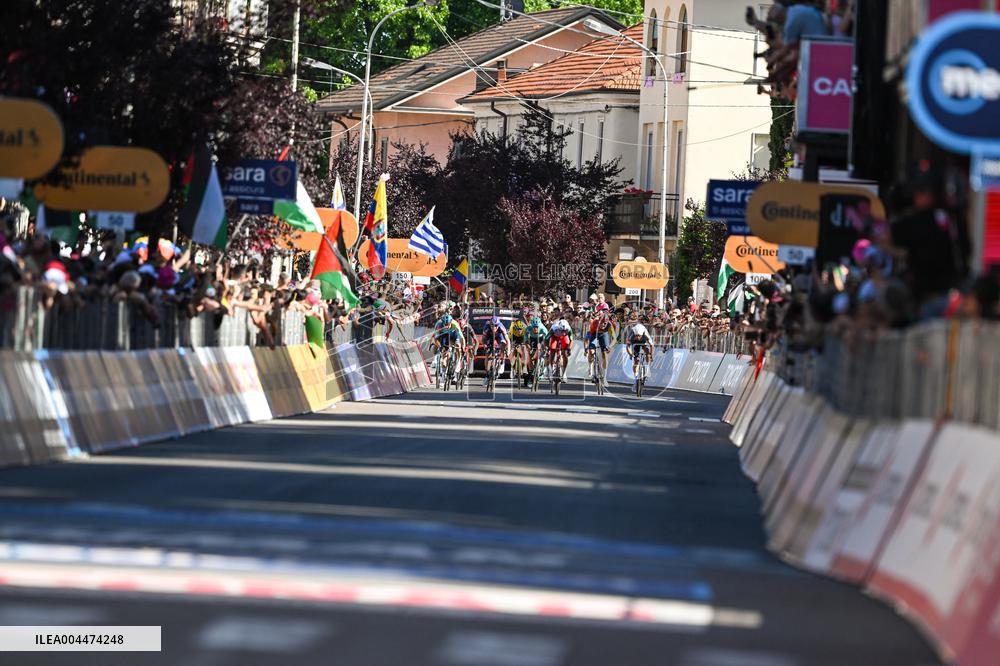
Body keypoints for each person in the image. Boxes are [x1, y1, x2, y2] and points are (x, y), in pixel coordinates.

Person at [432, 312, 465, 380]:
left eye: (448, 325)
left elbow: (462, 338)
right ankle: (443, 373)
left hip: (453, 334)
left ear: (451, 322)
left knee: (458, 346)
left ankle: (458, 361)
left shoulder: (455, 324)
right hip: (444, 335)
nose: (446, 326)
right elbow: (435, 339)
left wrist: (463, 348)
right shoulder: (439, 325)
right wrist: (441, 347)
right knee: (444, 352)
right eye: (445, 325)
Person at [585, 302, 613, 380]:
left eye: (605, 323)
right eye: (602, 323)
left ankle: (604, 373)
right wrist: (588, 348)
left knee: (605, 353)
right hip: (594, 334)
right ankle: (590, 368)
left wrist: (609, 347)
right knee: (591, 351)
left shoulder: (610, 324)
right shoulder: (595, 323)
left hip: (604, 334)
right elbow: (588, 337)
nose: (603, 325)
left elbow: (614, 337)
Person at [480, 315, 510, 386]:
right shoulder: (486, 327)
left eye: (496, 325)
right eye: (492, 326)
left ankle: (502, 361)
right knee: (488, 354)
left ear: (498, 325)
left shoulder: (501, 327)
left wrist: (508, 350)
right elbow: (483, 339)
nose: (494, 327)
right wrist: (485, 346)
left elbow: (508, 340)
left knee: (503, 344)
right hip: (489, 337)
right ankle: (487, 375)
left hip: (499, 336)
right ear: (490, 324)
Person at [625, 319, 655, 386]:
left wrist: (651, 355)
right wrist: (630, 354)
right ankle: (636, 378)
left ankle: (647, 368)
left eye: (639, 336)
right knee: (636, 360)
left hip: (643, 342)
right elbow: (627, 347)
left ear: (642, 334)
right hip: (634, 343)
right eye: (637, 335)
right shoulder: (632, 333)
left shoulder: (645, 334)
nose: (638, 337)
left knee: (647, 351)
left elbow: (652, 345)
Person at [545, 316, 574, 381]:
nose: (563, 332)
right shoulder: (554, 328)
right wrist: (547, 348)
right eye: (562, 331)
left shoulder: (568, 328)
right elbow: (546, 339)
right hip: (555, 337)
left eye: (565, 331)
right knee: (552, 350)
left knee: (565, 353)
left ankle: (564, 373)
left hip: (564, 338)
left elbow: (571, 340)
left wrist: (569, 348)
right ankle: (551, 369)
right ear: (559, 328)